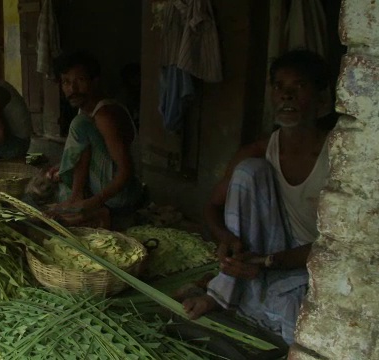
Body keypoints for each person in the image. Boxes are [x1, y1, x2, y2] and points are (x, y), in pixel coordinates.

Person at [181, 50, 335, 344]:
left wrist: (268, 262)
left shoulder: (338, 156)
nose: (286, 96)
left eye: (299, 86)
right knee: (248, 171)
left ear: (321, 97)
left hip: (311, 263)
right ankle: (222, 291)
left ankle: (240, 292)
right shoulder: (259, 150)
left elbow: (338, 247)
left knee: (304, 317)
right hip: (266, 256)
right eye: (279, 87)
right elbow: (212, 206)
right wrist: (225, 238)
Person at [49, 51, 143, 226]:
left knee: (79, 125)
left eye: (80, 81)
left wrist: (94, 202)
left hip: (123, 196)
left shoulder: (105, 114)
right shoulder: (85, 109)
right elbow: (86, 151)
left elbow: (126, 170)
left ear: (95, 81)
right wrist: (60, 167)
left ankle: (97, 210)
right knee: (60, 188)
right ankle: (77, 199)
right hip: (108, 188)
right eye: (66, 82)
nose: (72, 89)